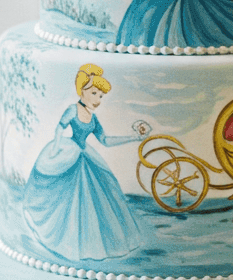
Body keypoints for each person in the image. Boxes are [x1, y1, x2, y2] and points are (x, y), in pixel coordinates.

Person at [22, 64, 148, 262]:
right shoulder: (72, 110)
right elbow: (59, 128)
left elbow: (105, 140)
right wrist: (55, 149)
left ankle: (93, 244)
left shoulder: (94, 118)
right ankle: (68, 241)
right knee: (69, 200)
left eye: (100, 95)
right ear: (82, 91)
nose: (97, 99)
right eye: (94, 93)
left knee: (104, 191)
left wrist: (133, 137)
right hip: (69, 152)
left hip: (85, 155)